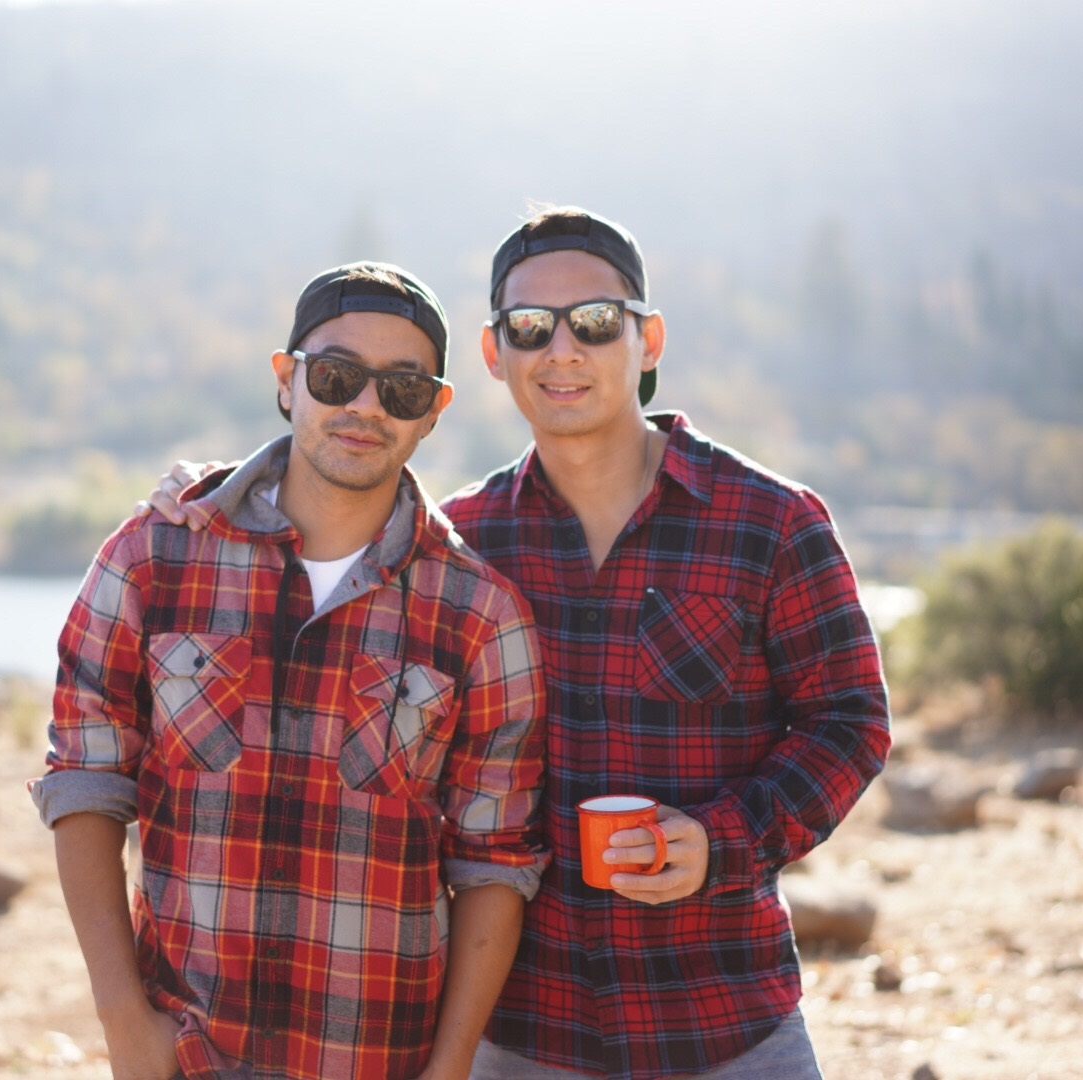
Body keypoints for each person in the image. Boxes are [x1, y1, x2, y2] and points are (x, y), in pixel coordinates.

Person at [148, 209, 891, 1080]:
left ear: (647, 339)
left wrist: (724, 838)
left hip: (727, 1024)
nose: (563, 350)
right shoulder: (457, 543)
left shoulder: (770, 522)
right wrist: (210, 494)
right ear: (496, 355)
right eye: (531, 328)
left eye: (596, 322)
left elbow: (849, 722)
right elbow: (326, 505)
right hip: (518, 1036)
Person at [34, 261, 549, 1080]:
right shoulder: (153, 558)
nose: (365, 408)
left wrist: (448, 1068)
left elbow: (495, 862)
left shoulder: (481, 616)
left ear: (434, 412)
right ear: (287, 380)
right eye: (338, 376)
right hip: (186, 1055)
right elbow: (85, 783)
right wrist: (122, 1018)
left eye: (402, 389)